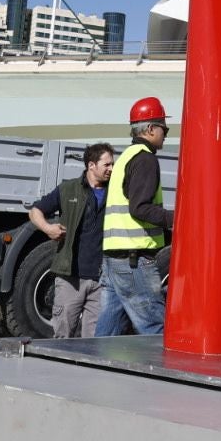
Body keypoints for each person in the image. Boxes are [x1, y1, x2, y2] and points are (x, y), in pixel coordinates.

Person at [95, 97, 175, 337]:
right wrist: (177, 219)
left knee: (108, 330)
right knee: (155, 327)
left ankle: (94, 371)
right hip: (134, 260)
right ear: (150, 129)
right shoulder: (145, 159)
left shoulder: (126, 157)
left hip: (114, 258)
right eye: (164, 128)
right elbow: (139, 208)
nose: (166, 134)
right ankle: (162, 374)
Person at [26, 142, 114, 338]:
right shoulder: (69, 189)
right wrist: (48, 228)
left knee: (94, 343)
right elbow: (35, 211)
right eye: (107, 164)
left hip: (101, 278)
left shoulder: (116, 192)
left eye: (112, 165)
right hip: (71, 276)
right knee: (63, 337)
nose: (111, 169)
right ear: (91, 165)